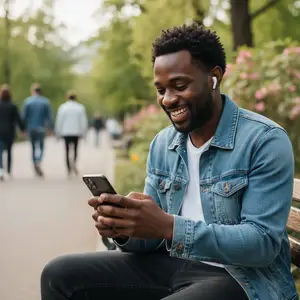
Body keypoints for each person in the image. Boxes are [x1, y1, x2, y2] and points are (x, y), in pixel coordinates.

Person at [40, 24, 297, 300]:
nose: (168, 99)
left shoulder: (264, 140)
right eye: (160, 89)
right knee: (59, 275)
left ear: (214, 77)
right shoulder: (164, 144)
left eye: (179, 86)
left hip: (242, 279)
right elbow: (153, 236)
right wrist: (126, 228)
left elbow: (262, 244)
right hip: (174, 266)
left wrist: (169, 226)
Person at [55, 90, 88, 176]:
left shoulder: (63, 107)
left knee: (67, 150)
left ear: (67, 98)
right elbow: (83, 121)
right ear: (75, 98)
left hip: (66, 132)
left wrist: (58, 133)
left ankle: (68, 167)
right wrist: (84, 133)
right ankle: (74, 163)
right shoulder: (80, 108)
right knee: (75, 149)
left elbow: (59, 121)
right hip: (76, 132)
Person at [23, 83, 53, 177]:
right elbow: (49, 117)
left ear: (32, 91)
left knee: (33, 147)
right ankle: (38, 161)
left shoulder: (27, 101)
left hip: (31, 128)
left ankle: (34, 162)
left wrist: (23, 129)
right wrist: (50, 129)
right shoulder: (45, 102)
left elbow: (24, 117)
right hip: (41, 128)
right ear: (41, 91)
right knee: (41, 147)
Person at [0, 84, 25, 181]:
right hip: (10, 132)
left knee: (0, 152)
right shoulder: (13, 106)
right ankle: (9, 171)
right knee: (9, 151)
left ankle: (0, 170)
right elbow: (18, 119)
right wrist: (22, 129)